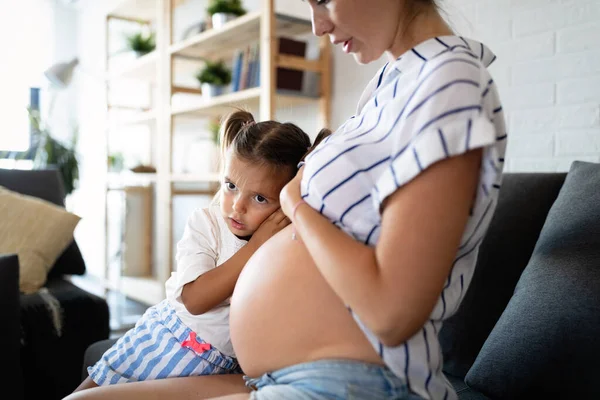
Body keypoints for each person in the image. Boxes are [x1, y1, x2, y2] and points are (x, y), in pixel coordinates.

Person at [65, 1, 507, 399]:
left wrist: (295, 204)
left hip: (349, 381)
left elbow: (391, 314)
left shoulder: (449, 84)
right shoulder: (392, 80)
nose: (318, 26)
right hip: (282, 372)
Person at [74, 110, 329, 391]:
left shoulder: (284, 244)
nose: (237, 206)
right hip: (169, 341)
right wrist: (255, 247)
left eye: (259, 198)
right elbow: (195, 300)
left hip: (223, 366)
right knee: (89, 393)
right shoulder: (207, 224)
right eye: (231, 186)